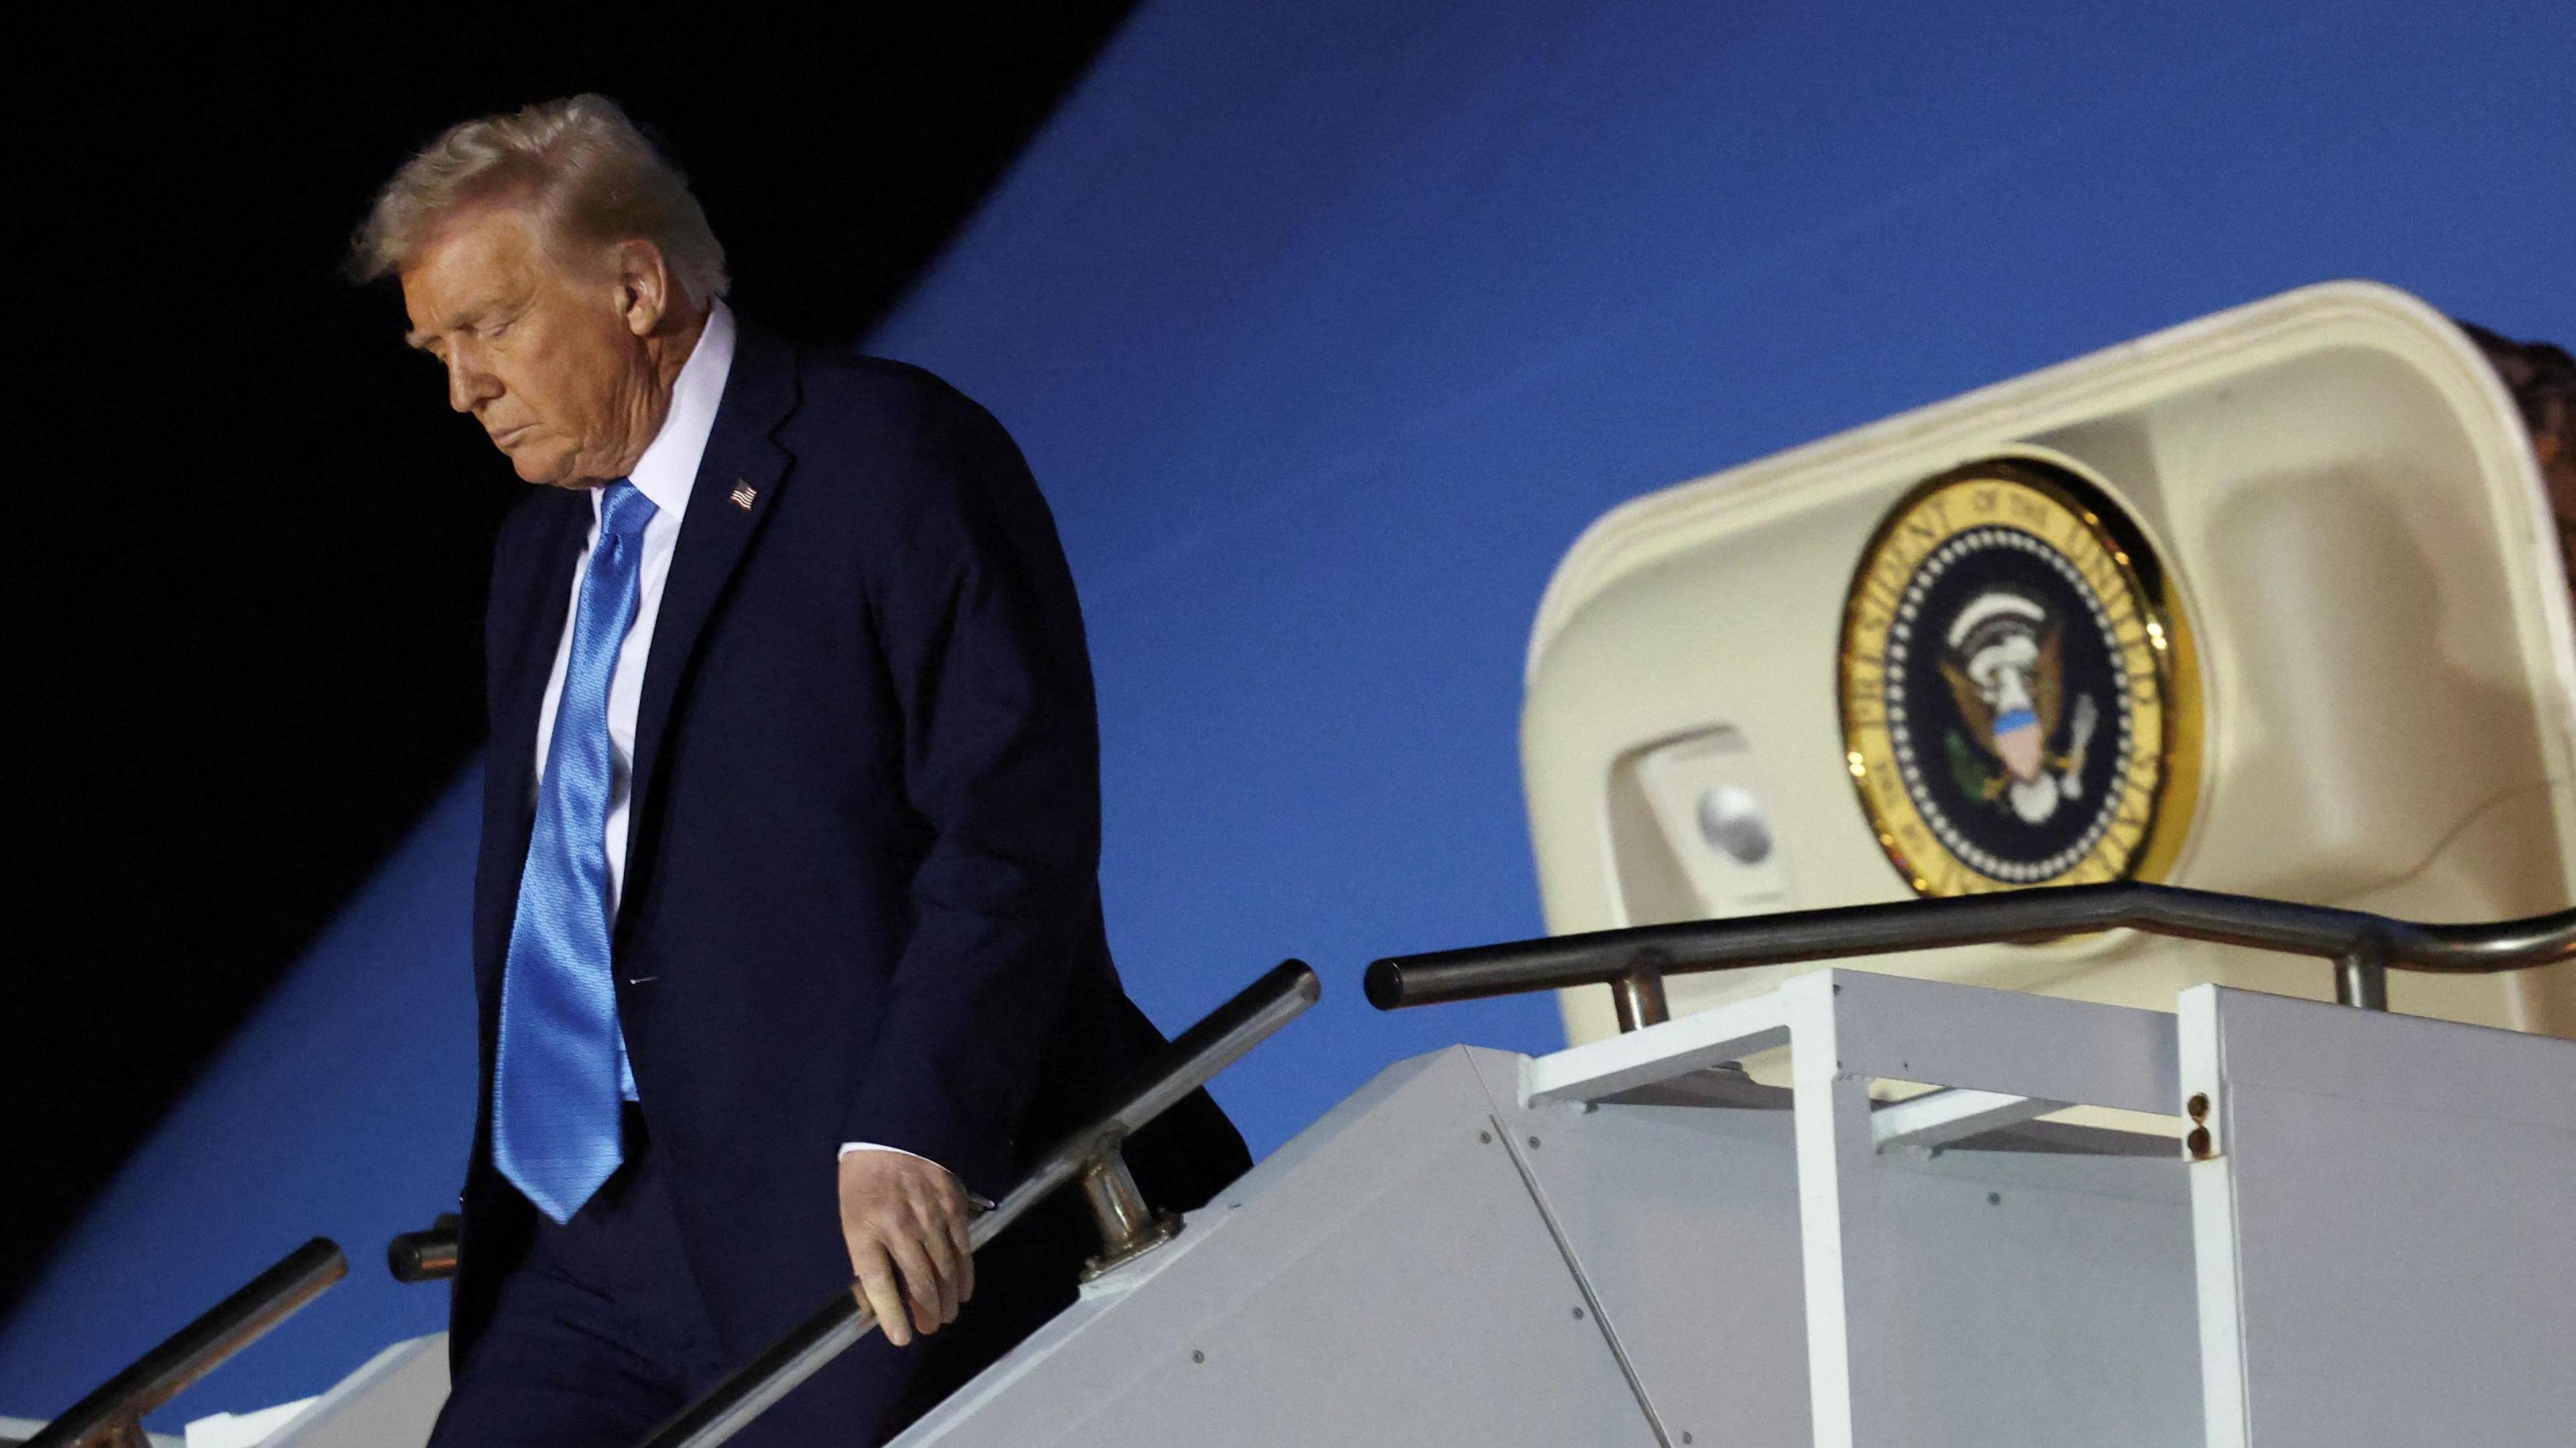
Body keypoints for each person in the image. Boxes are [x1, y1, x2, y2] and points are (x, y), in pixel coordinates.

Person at [348, 95, 1249, 1447]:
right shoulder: (538, 557)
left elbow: (1011, 828)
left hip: (850, 1194)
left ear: (637, 287)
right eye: (437, 349)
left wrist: (913, 1126)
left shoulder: (885, 456)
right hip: (596, 1237)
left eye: (490, 327)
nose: (463, 389)